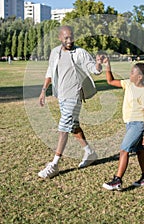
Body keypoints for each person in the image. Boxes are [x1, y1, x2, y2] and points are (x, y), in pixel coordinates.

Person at [38, 25, 103, 179]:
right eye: (66, 38)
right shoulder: (55, 52)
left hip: (74, 95)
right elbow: (50, 71)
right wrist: (43, 90)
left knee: (63, 127)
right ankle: (89, 152)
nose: (69, 40)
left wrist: (99, 64)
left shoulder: (79, 52)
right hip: (61, 95)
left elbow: (94, 69)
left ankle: (54, 164)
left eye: (71, 37)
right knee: (73, 126)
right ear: (60, 38)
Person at [102, 57, 144, 190]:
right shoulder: (128, 84)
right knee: (140, 151)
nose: (130, 74)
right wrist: (107, 66)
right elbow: (110, 81)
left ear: (140, 77)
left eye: (132, 73)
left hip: (138, 125)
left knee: (124, 150)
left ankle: (117, 180)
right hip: (129, 124)